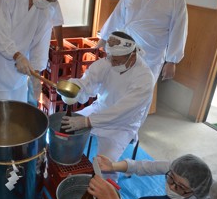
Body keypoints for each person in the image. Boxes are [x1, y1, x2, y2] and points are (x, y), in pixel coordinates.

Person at [61, 31, 155, 180]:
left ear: (132, 56)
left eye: (116, 60)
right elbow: (88, 81)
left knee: (104, 167)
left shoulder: (144, 79)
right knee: (63, 131)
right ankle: (66, 171)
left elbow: (122, 111)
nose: (112, 62)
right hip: (99, 109)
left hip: (123, 124)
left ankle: (107, 194)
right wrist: (74, 89)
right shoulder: (108, 62)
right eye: (110, 57)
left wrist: (87, 121)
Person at [97, 0, 188, 82]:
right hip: (124, 49)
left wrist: (172, 61)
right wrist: (104, 37)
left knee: (140, 92)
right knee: (116, 85)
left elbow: (178, 31)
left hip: (151, 55)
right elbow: (117, 14)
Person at [96, 154, 214, 199]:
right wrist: (112, 166)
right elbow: (142, 166)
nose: (172, 187)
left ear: (196, 191)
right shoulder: (176, 168)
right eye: (171, 178)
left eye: (180, 187)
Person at [26, 0, 65, 106]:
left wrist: (60, 48)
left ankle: (31, 113)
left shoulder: (53, 1)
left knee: (33, 88)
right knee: (17, 86)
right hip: (19, 50)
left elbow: (58, 23)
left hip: (38, 50)